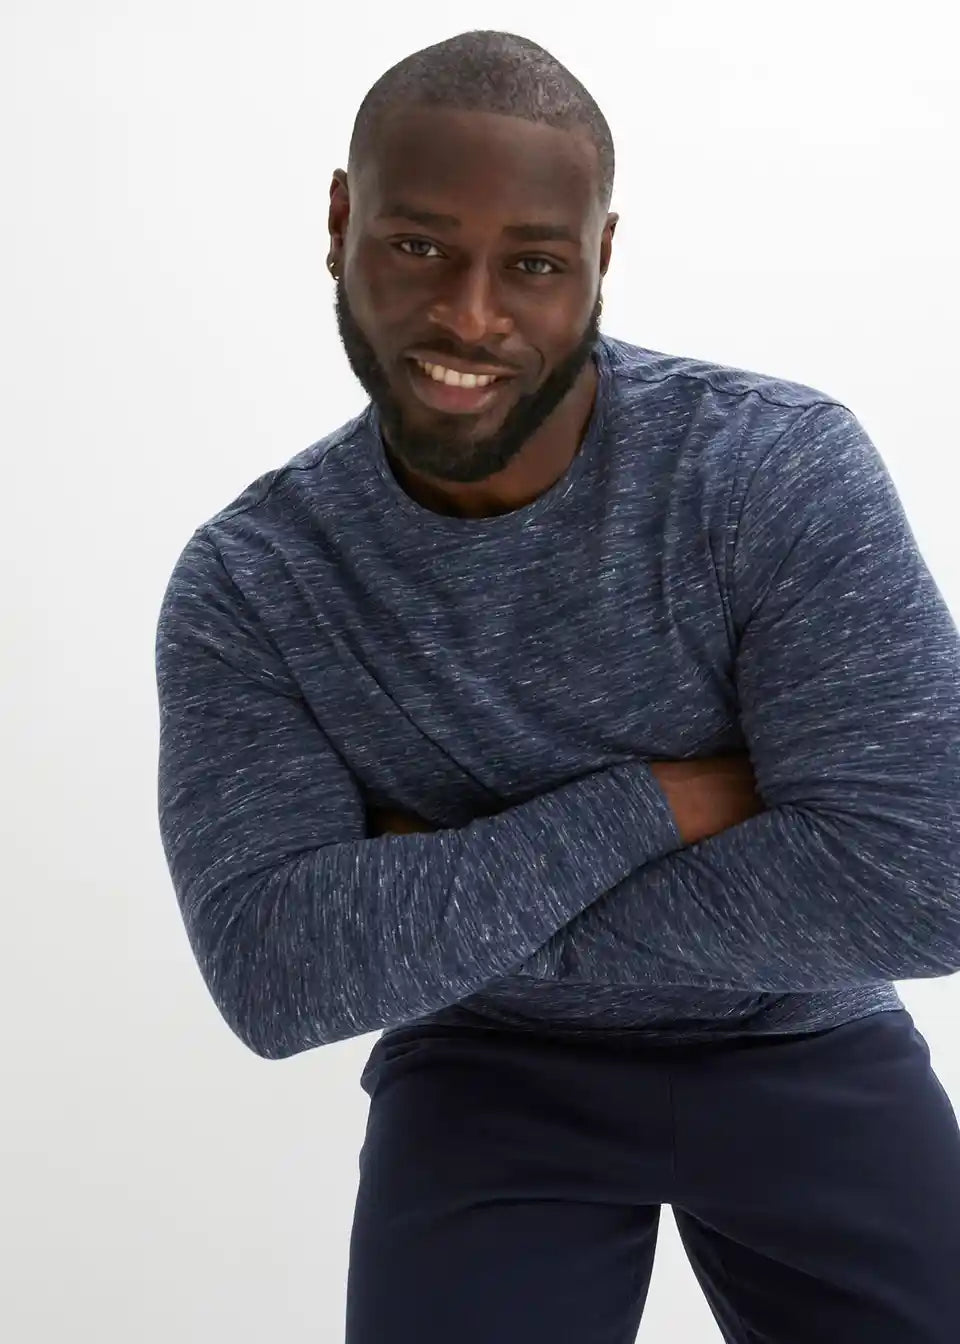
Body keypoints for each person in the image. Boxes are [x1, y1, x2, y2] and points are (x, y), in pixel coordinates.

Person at [154, 28, 960, 1343]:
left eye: (532, 263)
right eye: (420, 245)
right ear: (341, 223)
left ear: (601, 258)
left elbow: (929, 879)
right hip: (487, 1068)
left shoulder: (768, 471)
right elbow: (277, 973)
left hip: (798, 1037)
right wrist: (661, 804)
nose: (472, 316)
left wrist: (449, 888)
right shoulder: (255, 584)